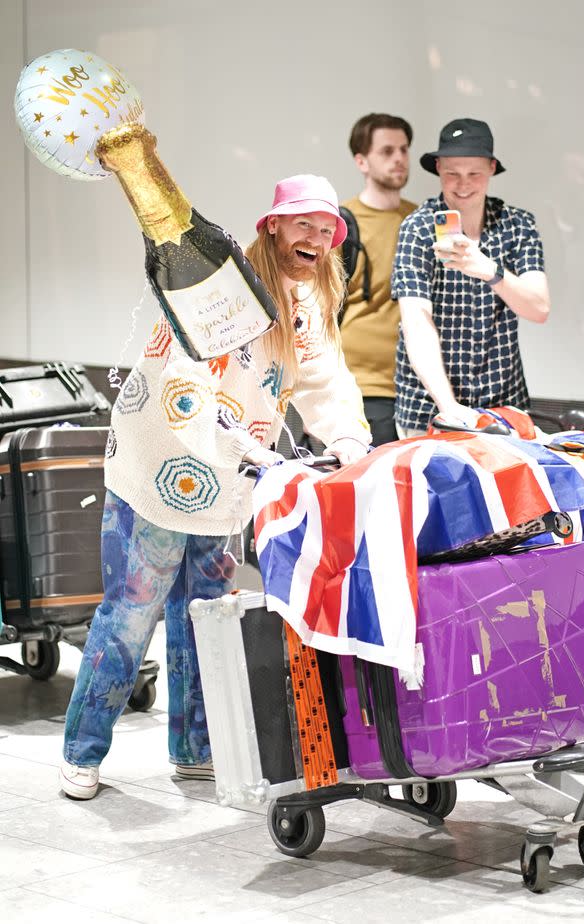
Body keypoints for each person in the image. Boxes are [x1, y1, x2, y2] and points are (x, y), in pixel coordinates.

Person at [59, 174, 371, 800]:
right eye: (301, 223)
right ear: (273, 226)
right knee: (132, 612)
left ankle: (195, 750)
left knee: (204, 616)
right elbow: (187, 394)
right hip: (157, 467)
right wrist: (255, 453)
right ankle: (82, 752)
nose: (314, 237)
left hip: (223, 483)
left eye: (324, 227)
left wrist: (349, 444)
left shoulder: (306, 305)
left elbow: (325, 383)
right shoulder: (220, 290)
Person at [391, 117, 550, 436]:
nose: (463, 185)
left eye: (474, 173)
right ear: (438, 168)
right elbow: (416, 323)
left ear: (492, 168)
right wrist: (449, 408)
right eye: (452, 173)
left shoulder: (516, 225)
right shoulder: (418, 228)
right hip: (428, 408)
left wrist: (488, 269)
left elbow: (539, 308)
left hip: (503, 405)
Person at [339, 113, 417, 446]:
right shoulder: (338, 224)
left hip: (420, 392)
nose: (399, 158)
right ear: (362, 161)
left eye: (403, 149)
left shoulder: (423, 220)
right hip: (361, 390)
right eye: (386, 151)